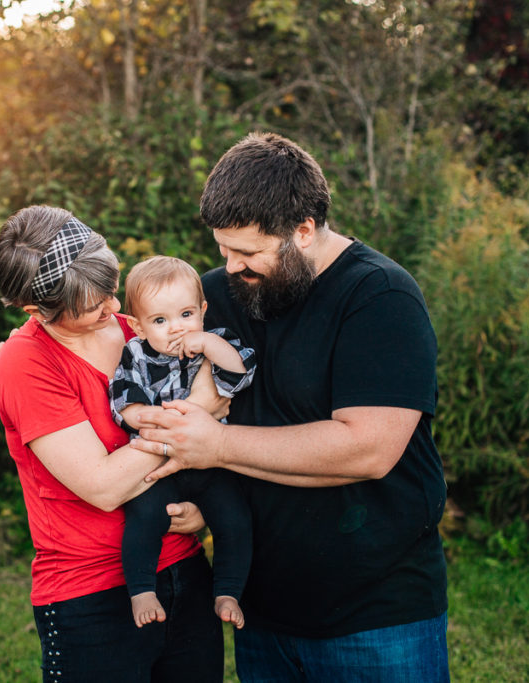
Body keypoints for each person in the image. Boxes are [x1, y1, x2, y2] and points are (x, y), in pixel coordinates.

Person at [130, 132, 451, 682]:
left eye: (249, 251)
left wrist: (220, 447)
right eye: (222, 248)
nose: (230, 266)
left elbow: (368, 448)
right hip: (259, 605)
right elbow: (129, 338)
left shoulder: (379, 297)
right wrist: (26, 351)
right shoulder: (213, 295)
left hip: (375, 613)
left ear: (304, 230)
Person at [0, 206, 226, 682]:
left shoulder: (135, 327)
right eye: (92, 304)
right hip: (91, 595)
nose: (113, 307)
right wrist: (190, 425)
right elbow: (102, 486)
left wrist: (202, 506)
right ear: (36, 310)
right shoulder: (26, 363)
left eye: (110, 289)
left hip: (183, 567)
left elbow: (217, 391)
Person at [109, 256, 255, 630]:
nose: (177, 328)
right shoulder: (136, 354)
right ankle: (141, 589)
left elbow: (239, 374)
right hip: (160, 466)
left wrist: (207, 342)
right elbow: (125, 401)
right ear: (137, 326)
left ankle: (227, 590)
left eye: (187, 314)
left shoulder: (217, 343)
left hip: (210, 462)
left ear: (203, 310)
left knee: (235, 519)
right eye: (160, 320)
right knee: (144, 517)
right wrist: (147, 418)